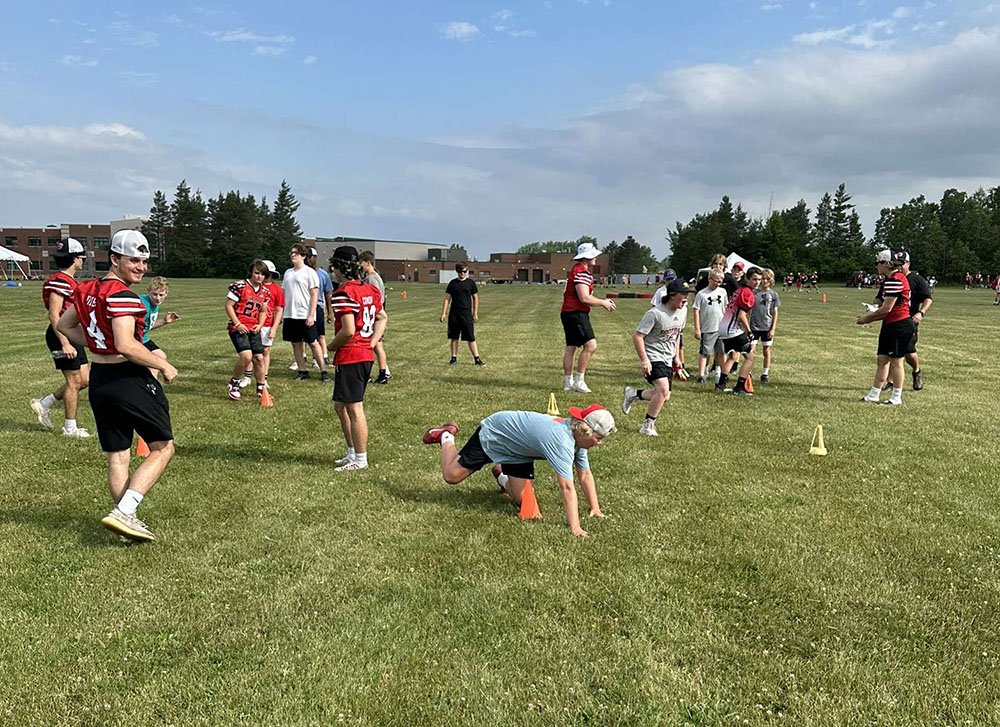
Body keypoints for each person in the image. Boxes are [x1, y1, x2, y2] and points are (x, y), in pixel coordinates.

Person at [56, 230, 177, 542]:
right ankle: (125, 511)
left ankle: (125, 525)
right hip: (127, 379)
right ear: (114, 259)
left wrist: (98, 344)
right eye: (133, 260)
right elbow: (126, 344)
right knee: (163, 448)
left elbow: (64, 325)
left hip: (99, 380)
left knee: (118, 455)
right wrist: (161, 363)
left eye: (144, 261)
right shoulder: (124, 296)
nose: (140, 267)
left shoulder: (86, 289)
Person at [421, 404, 614, 537]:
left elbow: (585, 474)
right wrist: (575, 527)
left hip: (520, 452)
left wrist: (595, 508)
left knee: (527, 509)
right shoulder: (561, 441)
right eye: (598, 438)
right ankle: (446, 434)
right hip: (497, 434)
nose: (600, 443)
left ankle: (501, 475)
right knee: (451, 475)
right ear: (584, 431)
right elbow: (566, 487)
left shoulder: (579, 441)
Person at [327, 246, 387, 472]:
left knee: (354, 408)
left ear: (340, 267)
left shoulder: (344, 293)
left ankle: (360, 459)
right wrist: (371, 343)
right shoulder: (369, 289)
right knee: (340, 406)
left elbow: (349, 330)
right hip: (362, 354)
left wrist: (331, 347)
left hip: (351, 354)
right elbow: (382, 317)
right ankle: (352, 452)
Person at [30, 237, 91, 438]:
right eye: (81, 257)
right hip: (60, 335)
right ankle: (70, 428)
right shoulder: (59, 282)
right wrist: (65, 342)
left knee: (84, 379)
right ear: (75, 259)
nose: (83, 260)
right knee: (74, 382)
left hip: (71, 334)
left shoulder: (70, 281)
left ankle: (44, 403)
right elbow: (54, 314)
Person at [622, 278, 690, 436]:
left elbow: (677, 334)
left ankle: (633, 394)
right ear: (672, 295)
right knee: (662, 389)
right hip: (653, 356)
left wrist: (677, 360)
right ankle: (647, 425)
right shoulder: (654, 314)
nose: (686, 298)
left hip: (667, 357)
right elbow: (638, 336)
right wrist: (644, 360)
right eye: (683, 294)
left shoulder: (683, 311)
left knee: (664, 396)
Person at [857, 250, 913, 406]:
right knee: (882, 359)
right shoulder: (891, 279)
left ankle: (896, 397)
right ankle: (874, 393)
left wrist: (866, 319)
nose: (877, 266)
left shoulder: (895, 279)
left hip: (899, 324)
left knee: (896, 362)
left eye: (879, 263)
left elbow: (887, 309)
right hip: (891, 324)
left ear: (888, 264)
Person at [561, 241, 616, 393]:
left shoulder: (576, 270)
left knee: (571, 347)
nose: (596, 258)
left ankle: (568, 383)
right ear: (587, 258)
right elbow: (584, 298)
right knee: (591, 346)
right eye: (593, 256)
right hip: (576, 313)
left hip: (568, 312)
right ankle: (579, 380)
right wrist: (603, 302)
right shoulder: (582, 272)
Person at [282, 243, 331, 383]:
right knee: (296, 343)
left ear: (303, 256)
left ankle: (323, 371)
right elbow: (284, 292)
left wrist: (311, 315)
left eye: (296, 253)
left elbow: (314, 294)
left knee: (313, 342)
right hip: (291, 314)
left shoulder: (310, 272)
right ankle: (302, 370)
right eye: (291, 253)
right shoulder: (288, 273)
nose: (293, 255)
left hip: (305, 314)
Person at [225, 260, 271, 402]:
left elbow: (263, 311)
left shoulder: (264, 291)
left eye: (262, 274)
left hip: (253, 327)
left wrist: (260, 324)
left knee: (259, 358)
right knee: (246, 356)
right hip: (238, 327)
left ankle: (261, 387)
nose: (259, 277)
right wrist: (237, 323)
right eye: (257, 273)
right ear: (251, 272)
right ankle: (234, 383)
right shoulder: (240, 286)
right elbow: (229, 306)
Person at [716, 266, 762, 396]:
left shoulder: (739, 289)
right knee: (750, 357)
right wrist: (749, 332)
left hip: (723, 328)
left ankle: (721, 384)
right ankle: (739, 387)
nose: (757, 282)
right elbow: (742, 316)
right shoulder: (747, 292)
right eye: (754, 279)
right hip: (732, 330)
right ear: (746, 279)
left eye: (759, 279)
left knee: (733, 356)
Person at [441, 263, 485, 366]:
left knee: (470, 337)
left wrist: (475, 313)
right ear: (457, 272)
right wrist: (443, 313)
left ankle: (477, 359)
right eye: (460, 272)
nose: (462, 274)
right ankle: (453, 358)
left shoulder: (470, 283)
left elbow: (475, 298)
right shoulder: (452, 283)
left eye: (464, 272)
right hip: (454, 314)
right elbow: (447, 299)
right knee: (454, 337)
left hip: (466, 314)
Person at [899, 255, 932, 391]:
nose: (899, 266)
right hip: (893, 319)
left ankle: (916, 371)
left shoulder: (917, 279)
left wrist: (921, 312)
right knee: (891, 352)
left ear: (908, 264)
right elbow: (879, 296)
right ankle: (891, 381)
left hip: (909, 319)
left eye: (902, 263)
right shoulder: (893, 278)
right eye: (897, 263)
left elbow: (928, 298)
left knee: (909, 352)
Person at [139, 276, 180, 380]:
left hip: (143, 337)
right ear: (148, 292)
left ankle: (152, 385)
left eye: (161, 295)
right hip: (135, 339)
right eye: (154, 294)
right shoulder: (142, 304)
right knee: (154, 360)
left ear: (166, 293)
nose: (158, 298)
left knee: (161, 356)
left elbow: (148, 326)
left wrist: (164, 321)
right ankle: (151, 387)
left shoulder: (155, 304)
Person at [359, 250, 391, 383]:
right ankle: (384, 373)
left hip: (373, 316)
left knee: (372, 345)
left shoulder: (371, 279)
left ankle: (372, 374)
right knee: (378, 345)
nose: (360, 266)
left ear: (368, 263)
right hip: (377, 314)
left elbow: (374, 298)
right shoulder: (375, 276)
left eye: (361, 263)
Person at [692, 269, 728, 384]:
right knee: (705, 352)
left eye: (720, 281)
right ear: (709, 279)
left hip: (721, 328)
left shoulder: (722, 292)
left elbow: (725, 308)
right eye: (716, 281)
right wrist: (697, 328)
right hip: (707, 328)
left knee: (721, 352)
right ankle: (702, 374)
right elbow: (696, 311)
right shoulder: (702, 294)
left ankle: (720, 372)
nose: (718, 284)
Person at [750, 268, 780, 383]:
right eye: (763, 279)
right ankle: (748, 372)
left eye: (768, 279)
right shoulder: (754, 293)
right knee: (751, 350)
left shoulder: (774, 295)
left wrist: (773, 329)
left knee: (766, 350)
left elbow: (775, 312)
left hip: (767, 326)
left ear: (771, 280)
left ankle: (765, 373)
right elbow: (748, 310)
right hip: (754, 327)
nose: (765, 281)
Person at [307, 246, 334, 367]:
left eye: (309, 257)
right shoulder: (301, 272)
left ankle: (323, 356)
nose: (307, 259)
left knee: (319, 334)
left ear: (315, 258)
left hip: (317, 306)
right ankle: (302, 358)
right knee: (303, 336)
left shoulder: (323, 274)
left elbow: (328, 294)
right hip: (304, 306)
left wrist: (329, 312)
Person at [259, 260, 285, 386]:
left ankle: (264, 378)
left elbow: (279, 309)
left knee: (266, 351)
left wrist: (274, 328)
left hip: (268, 324)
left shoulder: (277, 289)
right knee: (250, 351)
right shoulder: (255, 286)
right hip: (253, 323)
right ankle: (247, 377)